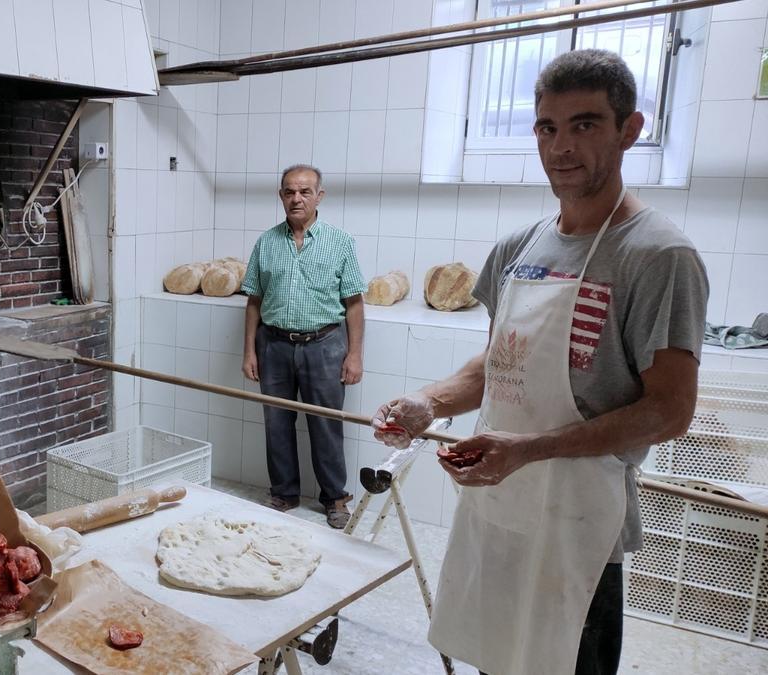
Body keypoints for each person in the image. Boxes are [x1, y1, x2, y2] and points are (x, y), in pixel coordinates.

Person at [372, 50, 707, 675]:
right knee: (495, 660)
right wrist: (430, 402)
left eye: (585, 125)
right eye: (547, 128)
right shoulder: (518, 248)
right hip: (496, 509)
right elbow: (500, 365)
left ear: (629, 130)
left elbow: (670, 411)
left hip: (580, 524)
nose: (561, 147)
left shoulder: (658, 255)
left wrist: (528, 449)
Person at [242, 164, 367, 529]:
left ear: (319, 196)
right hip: (274, 345)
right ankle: (284, 492)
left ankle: (334, 498)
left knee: (326, 423)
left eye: (304, 192)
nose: (296, 198)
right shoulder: (266, 242)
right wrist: (249, 350)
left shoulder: (340, 242)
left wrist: (354, 354)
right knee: (276, 422)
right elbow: (253, 301)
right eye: (289, 192)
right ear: (281, 196)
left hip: (325, 344)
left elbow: (354, 304)